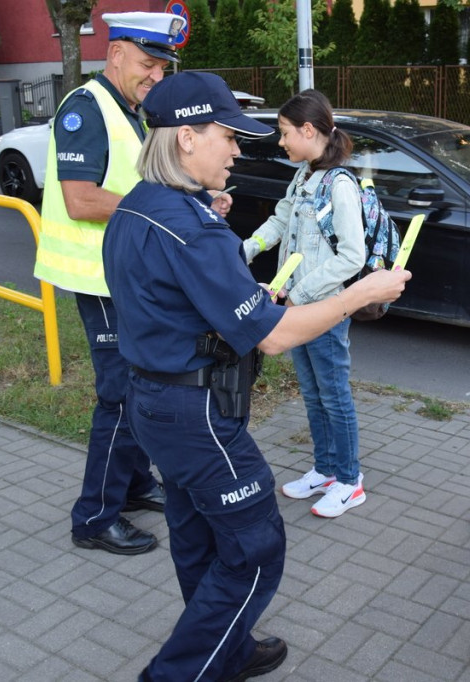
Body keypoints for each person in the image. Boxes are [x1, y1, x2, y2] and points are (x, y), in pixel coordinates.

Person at [102, 72, 410, 682]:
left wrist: (245, 294)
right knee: (255, 548)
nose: (239, 150)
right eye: (228, 136)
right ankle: (179, 672)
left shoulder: (140, 205)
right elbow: (272, 336)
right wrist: (362, 292)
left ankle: (230, 646)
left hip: (153, 402)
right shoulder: (192, 228)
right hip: (196, 416)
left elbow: (171, 301)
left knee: (197, 538)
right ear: (187, 138)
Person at [35, 12, 211, 555]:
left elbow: (135, 183)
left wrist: (192, 200)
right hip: (96, 277)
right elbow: (81, 199)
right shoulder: (85, 109)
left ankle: (134, 485)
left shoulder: (127, 109)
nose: (154, 77)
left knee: (135, 388)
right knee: (120, 396)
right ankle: (93, 518)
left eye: (161, 68)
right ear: (115, 55)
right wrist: (160, 208)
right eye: (146, 64)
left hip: (121, 277)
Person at [243, 90, 369, 518]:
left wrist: (299, 294)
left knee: (334, 396)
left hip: (324, 310)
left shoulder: (340, 185)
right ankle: (326, 470)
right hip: (296, 309)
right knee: (313, 394)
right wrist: (245, 249)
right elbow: (281, 219)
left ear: (308, 130)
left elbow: (353, 255)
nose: (281, 142)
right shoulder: (304, 176)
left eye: (284, 133)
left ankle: (351, 481)